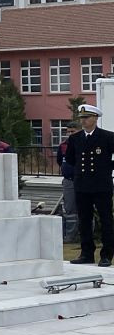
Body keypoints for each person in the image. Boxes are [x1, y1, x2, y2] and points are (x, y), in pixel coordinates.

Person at [65, 104, 114, 266]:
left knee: (106, 220)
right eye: (82, 118)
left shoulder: (108, 137)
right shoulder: (75, 138)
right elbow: (71, 159)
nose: (83, 121)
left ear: (95, 118)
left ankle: (106, 254)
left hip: (101, 185)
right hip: (82, 185)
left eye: (86, 118)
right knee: (84, 220)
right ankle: (87, 253)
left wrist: (107, 167)